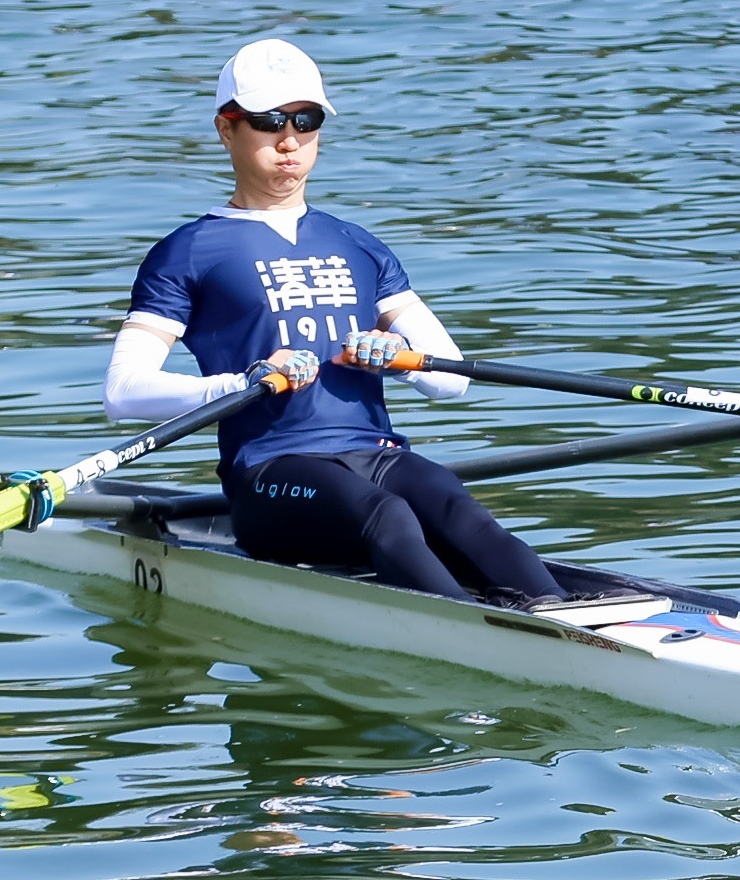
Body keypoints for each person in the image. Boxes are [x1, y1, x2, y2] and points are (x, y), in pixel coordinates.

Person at [107, 40, 562, 607]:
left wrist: (400, 359)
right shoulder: (187, 252)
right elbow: (122, 393)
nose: (289, 138)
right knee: (388, 515)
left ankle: (563, 618)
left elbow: (451, 379)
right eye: (268, 121)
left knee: (451, 500)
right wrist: (243, 382)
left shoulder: (357, 245)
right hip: (269, 475)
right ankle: (478, 632)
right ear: (227, 130)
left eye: (306, 119)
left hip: (373, 453)